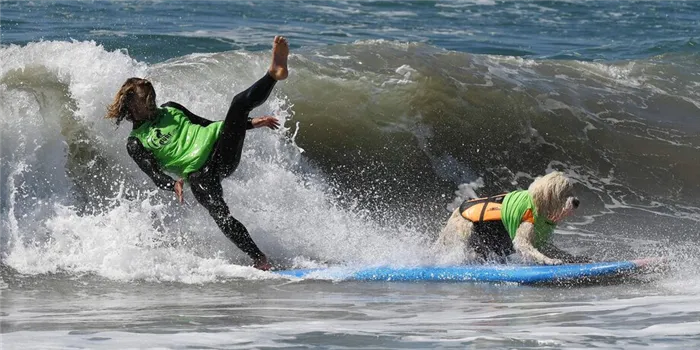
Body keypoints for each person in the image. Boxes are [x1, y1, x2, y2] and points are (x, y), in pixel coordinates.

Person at [106, 36, 290, 270]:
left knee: (238, 105)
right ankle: (260, 259)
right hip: (199, 174)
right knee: (219, 213)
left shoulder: (171, 108)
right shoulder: (136, 142)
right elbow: (155, 175)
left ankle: (274, 73)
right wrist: (173, 184)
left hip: (220, 147)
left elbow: (208, 124)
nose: (152, 105)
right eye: (146, 102)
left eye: (152, 99)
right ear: (131, 107)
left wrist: (251, 123)